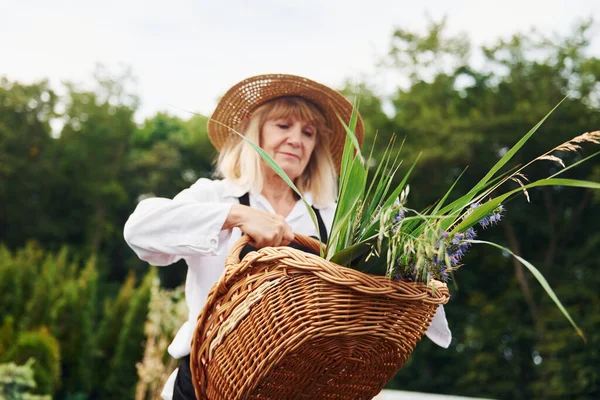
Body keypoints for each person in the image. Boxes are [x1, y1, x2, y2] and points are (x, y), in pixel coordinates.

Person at [123, 74, 451, 400]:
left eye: (308, 133)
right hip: (208, 380)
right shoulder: (219, 196)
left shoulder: (335, 218)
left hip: (301, 385)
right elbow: (139, 229)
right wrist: (236, 216)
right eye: (283, 126)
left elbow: (398, 286)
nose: (297, 139)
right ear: (255, 132)